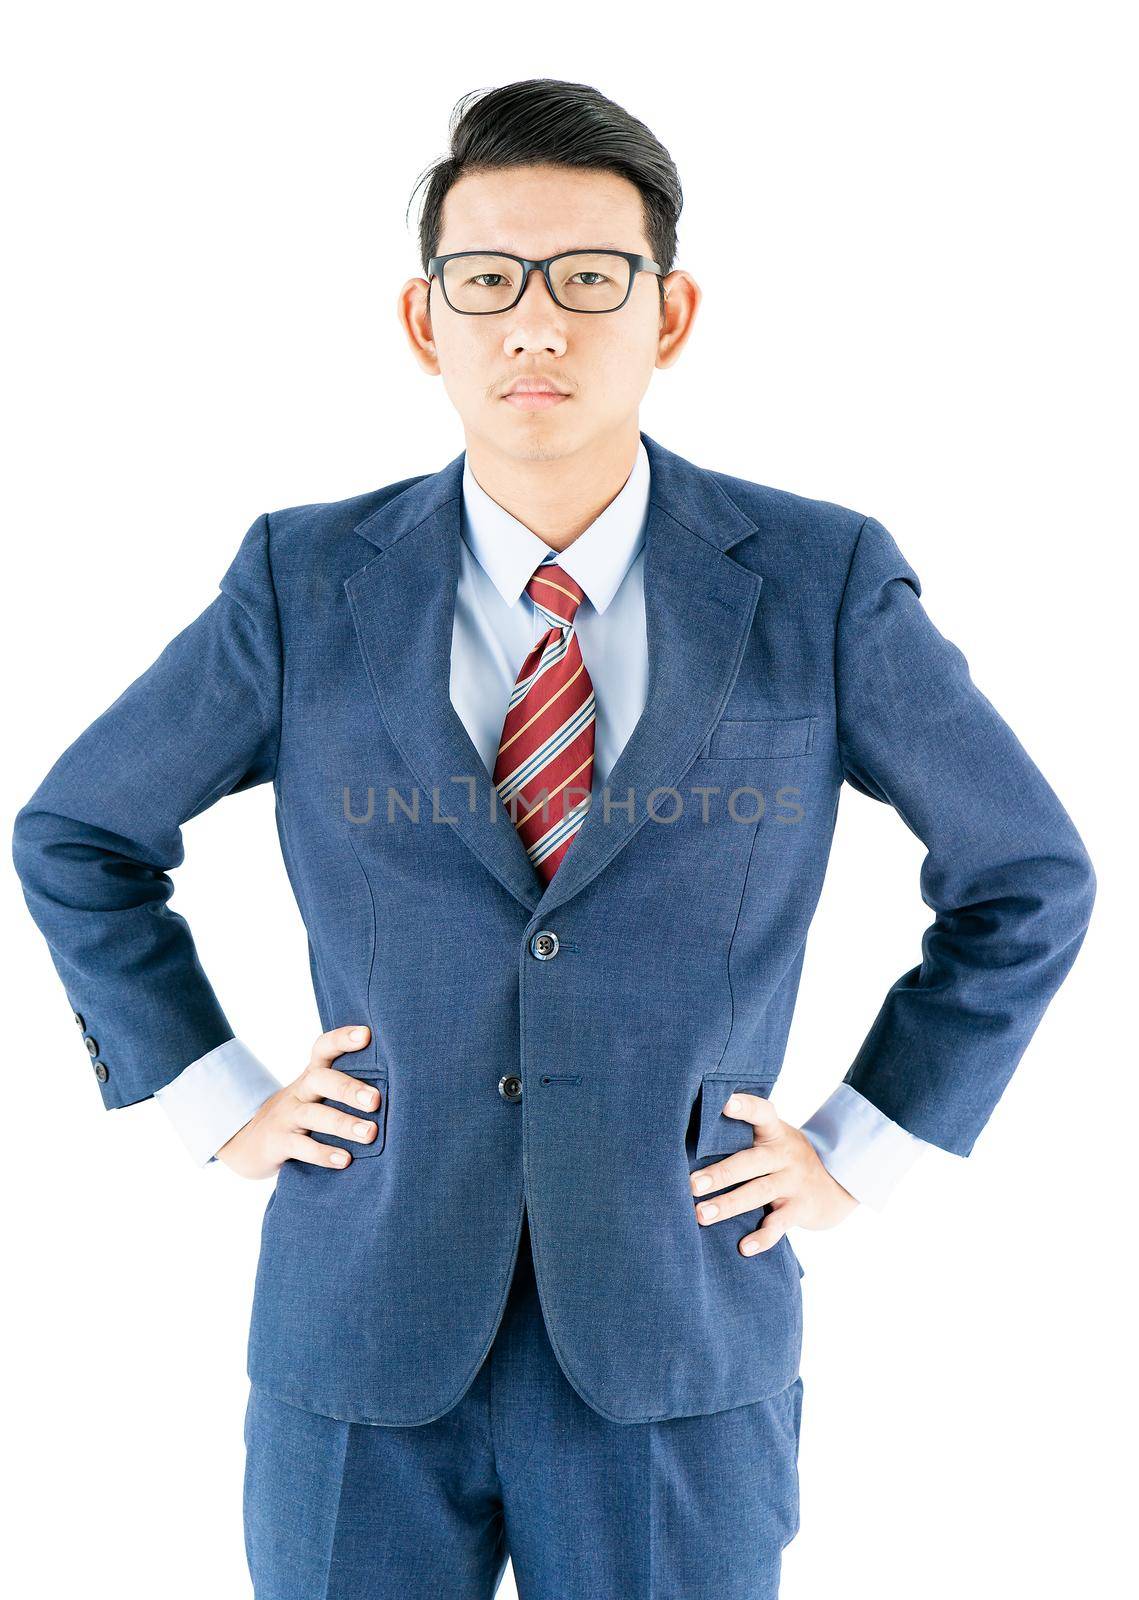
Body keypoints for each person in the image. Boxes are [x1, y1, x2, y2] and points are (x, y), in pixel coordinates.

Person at [11, 77, 1096, 1600]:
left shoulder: (816, 578)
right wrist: (212, 1092)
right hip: (362, 1328)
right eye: (490, 282)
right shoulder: (303, 579)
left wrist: (868, 1142)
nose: (538, 326)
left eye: (591, 280)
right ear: (424, 319)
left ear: (669, 312)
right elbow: (77, 831)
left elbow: (1028, 876)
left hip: (677, 1334)